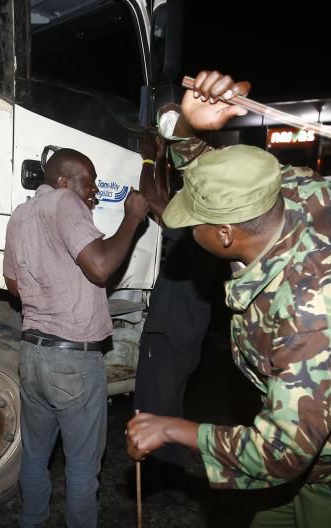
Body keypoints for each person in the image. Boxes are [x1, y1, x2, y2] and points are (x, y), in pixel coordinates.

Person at [126, 71, 331, 527]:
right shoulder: (300, 191)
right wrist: (186, 122)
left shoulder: (315, 317)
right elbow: (215, 176)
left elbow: (277, 453)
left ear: (224, 235)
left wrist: (169, 428)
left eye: (192, 222)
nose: (186, 227)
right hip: (316, 456)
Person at [3, 148, 149, 528]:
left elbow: (14, 285)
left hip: (32, 354)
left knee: (35, 457)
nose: (96, 192)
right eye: (90, 182)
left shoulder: (20, 215)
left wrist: (53, 287)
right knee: (83, 469)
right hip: (72, 361)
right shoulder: (65, 202)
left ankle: (31, 521)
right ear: (63, 181)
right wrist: (133, 218)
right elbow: (100, 267)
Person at [133, 133, 223, 503]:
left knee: (151, 413)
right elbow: (164, 201)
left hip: (167, 335)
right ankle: (170, 487)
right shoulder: (217, 230)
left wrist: (147, 161)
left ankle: (152, 488)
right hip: (188, 339)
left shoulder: (195, 232)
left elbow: (150, 201)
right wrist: (160, 160)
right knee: (171, 409)